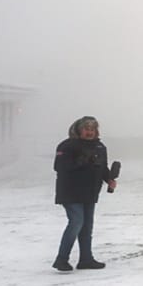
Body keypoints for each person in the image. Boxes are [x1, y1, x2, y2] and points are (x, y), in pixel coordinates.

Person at [52, 116, 117, 271]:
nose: (90, 132)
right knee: (76, 222)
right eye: (86, 129)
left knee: (87, 227)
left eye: (92, 129)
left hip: (90, 192)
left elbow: (102, 167)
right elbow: (59, 167)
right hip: (70, 192)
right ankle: (61, 259)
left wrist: (109, 179)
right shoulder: (67, 146)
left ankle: (86, 259)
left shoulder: (99, 147)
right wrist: (82, 160)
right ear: (79, 130)